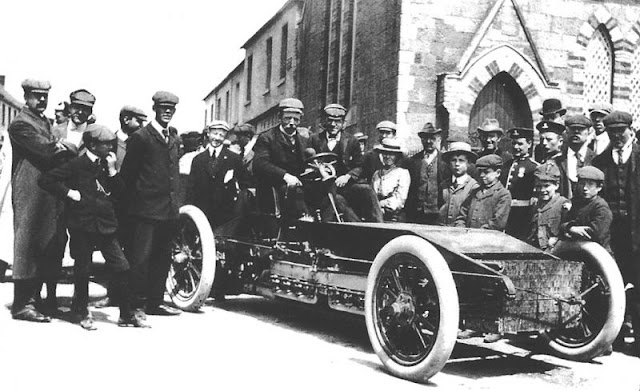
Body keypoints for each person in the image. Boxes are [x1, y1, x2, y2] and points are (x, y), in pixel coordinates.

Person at [38, 124, 148, 329]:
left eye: (111, 144)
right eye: (105, 144)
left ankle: (126, 314)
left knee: (122, 267)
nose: (110, 147)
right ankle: (80, 312)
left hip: (106, 225)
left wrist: (114, 172)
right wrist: (69, 193)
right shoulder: (76, 165)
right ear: (92, 145)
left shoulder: (108, 165)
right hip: (82, 225)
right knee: (82, 270)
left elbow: (121, 194)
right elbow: (46, 180)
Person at [8, 79, 75, 322]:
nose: (42, 100)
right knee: (27, 242)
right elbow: (47, 150)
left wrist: (60, 145)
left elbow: (55, 147)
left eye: (45, 95)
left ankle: (40, 300)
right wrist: (66, 145)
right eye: (37, 96)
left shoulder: (43, 121)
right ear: (26, 96)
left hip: (49, 192)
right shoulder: (20, 124)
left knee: (48, 242)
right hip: (30, 192)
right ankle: (22, 304)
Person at [120, 91, 182, 317]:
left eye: (171, 109)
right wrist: (130, 210)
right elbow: (127, 176)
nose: (167, 112)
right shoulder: (141, 137)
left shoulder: (174, 137)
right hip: (144, 211)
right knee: (140, 260)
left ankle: (155, 303)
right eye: (163, 108)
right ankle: (135, 305)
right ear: (155, 109)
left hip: (168, 210)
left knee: (162, 258)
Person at [592, 110, 640, 355]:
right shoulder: (600, 162)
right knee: (612, 286)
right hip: (613, 237)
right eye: (612, 132)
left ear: (630, 130)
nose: (617, 137)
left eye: (621, 132)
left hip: (639, 236)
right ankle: (613, 338)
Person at [253, 98, 310, 222]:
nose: (291, 122)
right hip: (273, 186)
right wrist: (285, 176)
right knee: (294, 191)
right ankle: (304, 220)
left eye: (296, 119)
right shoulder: (266, 138)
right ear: (279, 117)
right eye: (287, 118)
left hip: (299, 183)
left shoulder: (304, 140)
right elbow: (260, 164)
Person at [186, 120, 247, 228]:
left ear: (225, 137)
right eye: (214, 134)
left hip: (226, 212)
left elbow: (244, 183)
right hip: (202, 211)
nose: (217, 138)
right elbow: (191, 187)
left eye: (221, 135)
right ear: (208, 133)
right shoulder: (198, 159)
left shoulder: (234, 158)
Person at [405, 123, 449, 224]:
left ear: (438, 139)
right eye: (425, 138)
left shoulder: (445, 161)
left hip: (437, 213)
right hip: (416, 214)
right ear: (421, 140)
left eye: (432, 138)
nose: (428, 141)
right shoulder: (413, 161)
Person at [455, 154, 511, 231]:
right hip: (467, 237)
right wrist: (460, 228)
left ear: (498, 173)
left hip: (488, 238)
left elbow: (497, 223)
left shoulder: (503, 194)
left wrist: (476, 233)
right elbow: (462, 214)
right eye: (480, 171)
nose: (481, 175)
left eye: (486, 172)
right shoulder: (475, 191)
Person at [559, 166, 612, 249]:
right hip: (577, 249)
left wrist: (570, 229)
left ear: (599, 187)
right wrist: (571, 228)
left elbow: (595, 234)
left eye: (590, 184)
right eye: (582, 183)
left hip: (598, 252)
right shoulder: (576, 202)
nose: (585, 188)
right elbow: (562, 224)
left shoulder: (601, 206)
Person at [501, 127, 538, 240]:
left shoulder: (534, 167)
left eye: (520, 144)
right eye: (514, 143)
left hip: (522, 215)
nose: (516, 147)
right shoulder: (507, 165)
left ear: (529, 144)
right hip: (504, 213)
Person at [527, 164, 570, 251]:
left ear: (556, 185)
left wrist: (557, 240)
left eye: (546, 186)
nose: (542, 190)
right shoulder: (536, 204)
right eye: (539, 186)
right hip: (534, 248)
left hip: (553, 250)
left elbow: (567, 231)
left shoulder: (563, 204)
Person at [439, 140, 478, 226]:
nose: (457, 164)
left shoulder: (473, 187)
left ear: (468, 163)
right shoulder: (444, 185)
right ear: (449, 163)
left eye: (461, 160)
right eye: (453, 160)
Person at [370, 139, 410, 222]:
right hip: (376, 215)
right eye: (385, 153)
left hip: (394, 217)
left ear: (397, 156)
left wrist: (381, 204)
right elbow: (372, 195)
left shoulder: (402, 173)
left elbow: (400, 200)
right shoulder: (377, 174)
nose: (387, 157)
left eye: (391, 154)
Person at [536, 120, 571, 198]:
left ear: (560, 141)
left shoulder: (563, 163)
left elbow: (566, 191)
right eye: (542, 140)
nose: (544, 143)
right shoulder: (543, 160)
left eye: (549, 139)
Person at [564, 114, 596, 196]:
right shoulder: (559, 159)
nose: (576, 132)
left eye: (581, 129)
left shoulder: (596, 159)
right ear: (567, 131)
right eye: (573, 129)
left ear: (589, 131)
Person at [115, 105, 147, 170]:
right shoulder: (110, 143)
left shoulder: (143, 143)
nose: (142, 126)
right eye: (139, 122)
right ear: (126, 120)